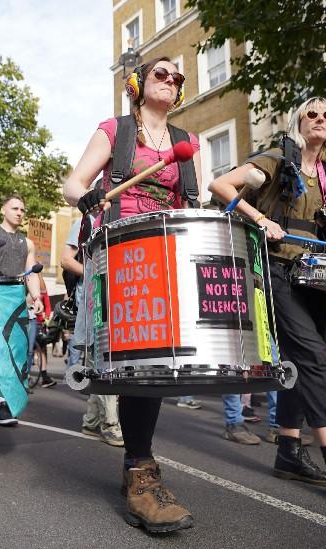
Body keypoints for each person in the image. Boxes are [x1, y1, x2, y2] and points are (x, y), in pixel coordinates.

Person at [210, 96, 326, 506]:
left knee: (293, 361)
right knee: (314, 360)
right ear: (299, 121)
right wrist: (261, 219)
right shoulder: (276, 158)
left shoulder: (324, 173)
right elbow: (220, 186)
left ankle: (288, 451)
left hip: (311, 275)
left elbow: (320, 218)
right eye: (312, 114)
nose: (320, 120)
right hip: (274, 268)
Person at [63, 57, 201, 532]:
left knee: (158, 362)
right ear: (138, 83)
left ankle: (138, 467)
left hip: (168, 254)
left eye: (177, 78)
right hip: (123, 249)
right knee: (138, 361)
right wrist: (84, 197)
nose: (171, 81)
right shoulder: (117, 129)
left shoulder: (186, 142)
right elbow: (73, 182)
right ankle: (140, 472)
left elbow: (192, 202)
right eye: (161, 74)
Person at [0, 193, 44, 423]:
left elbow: (32, 271)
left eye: (22, 209)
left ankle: (2, 397)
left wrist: (36, 296)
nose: (19, 212)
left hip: (16, 300)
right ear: (3, 210)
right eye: (15, 208)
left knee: (17, 350)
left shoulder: (28, 242)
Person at [62, 218, 123, 447]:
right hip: (94, 297)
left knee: (96, 362)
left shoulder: (122, 214)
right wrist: (95, 274)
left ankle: (91, 420)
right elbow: (66, 260)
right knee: (107, 358)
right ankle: (109, 423)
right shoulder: (84, 220)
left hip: (115, 294)